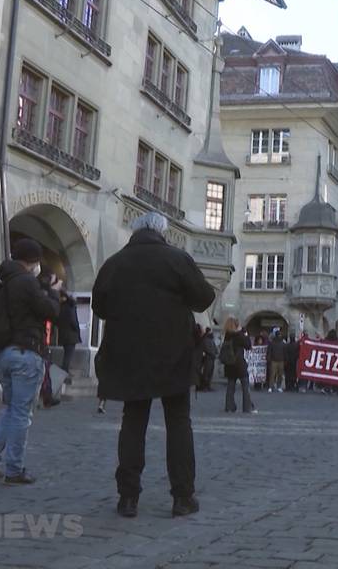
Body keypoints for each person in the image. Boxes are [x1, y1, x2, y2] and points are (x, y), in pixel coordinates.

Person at [92, 212, 216, 518]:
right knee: (178, 422)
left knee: (133, 421)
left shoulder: (115, 263)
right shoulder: (177, 259)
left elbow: (99, 306)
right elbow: (203, 298)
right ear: (163, 232)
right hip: (172, 352)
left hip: (129, 354)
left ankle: (128, 497)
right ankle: (183, 496)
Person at [0, 239, 60, 485]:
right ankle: (14, 469)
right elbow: (50, 311)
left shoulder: (2, 279)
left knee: (11, 410)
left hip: (3, 354)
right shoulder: (26, 281)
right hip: (25, 352)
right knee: (21, 414)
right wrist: (53, 291)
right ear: (33, 261)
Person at [222, 317, 255, 414]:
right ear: (237, 325)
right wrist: (244, 333)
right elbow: (248, 345)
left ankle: (229, 406)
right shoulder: (239, 336)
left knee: (230, 387)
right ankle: (247, 407)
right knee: (245, 386)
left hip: (229, 364)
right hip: (239, 364)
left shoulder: (227, 336)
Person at [57, 291, 80, 373]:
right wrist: (77, 330)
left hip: (64, 335)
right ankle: (65, 371)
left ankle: (65, 371)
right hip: (71, 335)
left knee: (67, 354)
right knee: (68, 355)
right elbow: (73, 321)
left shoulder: (61, 307)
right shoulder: (70, 307)